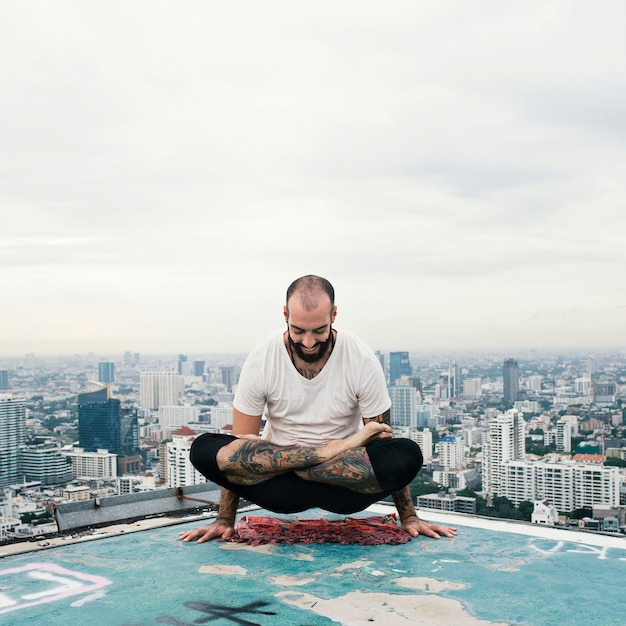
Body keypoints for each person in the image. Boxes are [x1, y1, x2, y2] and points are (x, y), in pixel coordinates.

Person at [179, 275, 456, 544]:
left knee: (406, 453)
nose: (308, 342)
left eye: (319, 331)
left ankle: (323, 457)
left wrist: (408, 517)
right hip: (279, 487)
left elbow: (382, 440)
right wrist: (225, 519)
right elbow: (240, 453)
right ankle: (327, 451)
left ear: (334, 314)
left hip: (343, 485)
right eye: (298, 330)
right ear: (285, 314)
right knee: (203, 448)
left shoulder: (360, 357)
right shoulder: (263, 357)